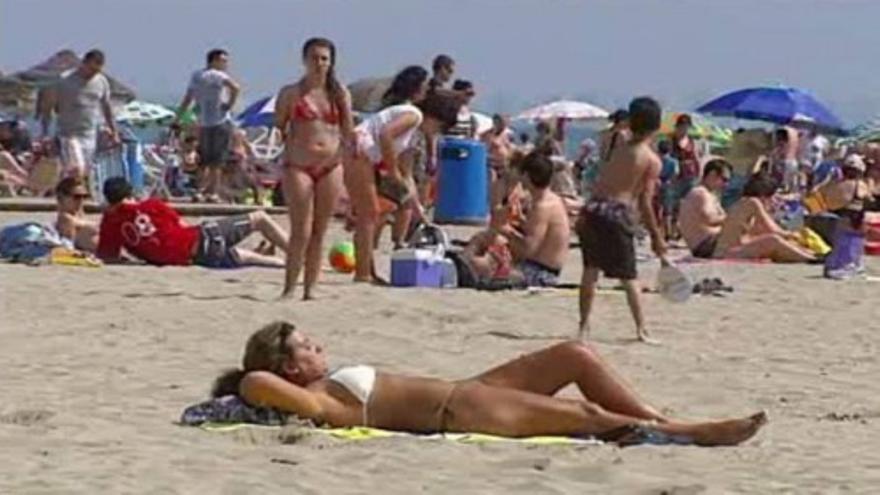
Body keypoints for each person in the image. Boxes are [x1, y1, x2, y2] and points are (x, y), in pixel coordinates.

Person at [213, 321, 767, 445]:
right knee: (586, 418)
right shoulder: (313, 398)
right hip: (458, 412)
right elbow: (255, 383)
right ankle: (693, 434)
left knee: (574, 355)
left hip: (466, 389)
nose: (319, 347)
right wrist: (253, 372)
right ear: (287, 368)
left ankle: (663, 420)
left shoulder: (323, 383)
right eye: (306, 348)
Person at [345, 68, 460, 283]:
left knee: (371, 215)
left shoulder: (410, 137)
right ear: (436, 119)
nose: (435, 134)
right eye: (439, 129)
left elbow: (407, 178)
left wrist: (420, 212)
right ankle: (362, 274)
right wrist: (391, 170)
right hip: (359, 151)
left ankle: (367, 271)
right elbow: (385, 134)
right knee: (368, 216)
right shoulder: (413, 115)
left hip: (362, 155)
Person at [576, 97, 666, 344]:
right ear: (657, 126)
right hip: (617, 213)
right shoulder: (651, 160)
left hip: (592, 208)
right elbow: (645, 202)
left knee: (590, 272)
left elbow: (614, 131)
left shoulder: (614, 142)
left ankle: (583, 327)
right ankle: (641, 329)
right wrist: (657, 236)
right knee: (629, 277)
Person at [275, 38, 354, 300]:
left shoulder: (339, 93)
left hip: (331, 165)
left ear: (331, 62)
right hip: (299, 164)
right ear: (304, 60)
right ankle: (289, 287)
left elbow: (348, 132)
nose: (319, 63)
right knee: (301, 230)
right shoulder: (291, 93)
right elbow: (279, 128)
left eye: (324, 59)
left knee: (320, 230)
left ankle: (310, 289)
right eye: (314, 58)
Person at [96, 177, 289, 268]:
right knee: (260, 217)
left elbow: (108, 256)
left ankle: (278, 262)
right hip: (201, 240)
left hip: (193, 260)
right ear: (130, 193)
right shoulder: (152, 205)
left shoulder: (110, 222)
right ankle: (297, 256)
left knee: (249, 258)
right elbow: (182, 226)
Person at [678, 162, 814, 262]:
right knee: (750, 203)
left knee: (771, 240)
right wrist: (733, 217)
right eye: (724, 179)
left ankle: (810, 257)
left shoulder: (707, 194)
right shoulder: (701, 193)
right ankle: (786, 236)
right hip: (709, 246)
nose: (726, 184)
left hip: (712, 245)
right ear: (712, 175)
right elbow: (709, 219)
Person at [39, 49, 119, 179]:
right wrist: (45, 133)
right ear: (84, 63)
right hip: (68, 134)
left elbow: (106, 108)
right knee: (77, 168)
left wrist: (114, 132)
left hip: (90, 134)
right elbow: (48, 108)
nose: (93, 73)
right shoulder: (64, 80)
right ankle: (67, 192)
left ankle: (66, 193)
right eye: (91, 69)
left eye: (97, 70)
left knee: (83, 172)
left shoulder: (102, 82)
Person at [175, 48, 241, 202]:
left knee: (204, 160)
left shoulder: (197, 76)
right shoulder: (218, 75)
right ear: (214, 61)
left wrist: (178, 117)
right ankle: (212, 192)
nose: (226, 64)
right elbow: (236, 88)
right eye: (223, 61)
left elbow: (188, 97)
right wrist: (229, 104)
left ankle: (200, 191)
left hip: (204, 121)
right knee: (216, 161)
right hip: (220, 121)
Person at [498, 152, 571, 287]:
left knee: (488, 268)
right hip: (545, 269)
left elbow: (528, 250)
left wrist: (504, 230)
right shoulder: (552, 200)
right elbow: (542, 234)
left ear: (527, 176)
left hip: (540, 273)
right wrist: (521, 221)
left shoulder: (542, 207)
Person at [54, 177, 98, 251]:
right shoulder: (65, 219)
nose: (81, 201)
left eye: (84, 197)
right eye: (77, 197)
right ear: (62, 197)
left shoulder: (78, 216)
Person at [669, 114, 702, 205]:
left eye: (686, 126)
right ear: (677, 126)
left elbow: (696, 158)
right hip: (676, 175)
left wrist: (699, 173)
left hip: (690, 174)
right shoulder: (671, 140)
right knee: (674, 200)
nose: (684, 129)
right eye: (682, 126)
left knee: (689, 200)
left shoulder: (692, 141)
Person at [656, 140, 680, 241]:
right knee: (668, 212)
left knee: (658, 210)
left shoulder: (656, 160)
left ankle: (660, 232)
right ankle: (668, 233)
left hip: (656, 185)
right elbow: (676, 174)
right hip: (668, 186)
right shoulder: (673, 161)